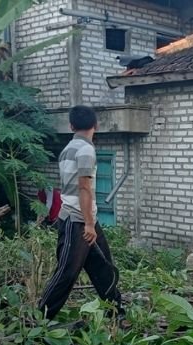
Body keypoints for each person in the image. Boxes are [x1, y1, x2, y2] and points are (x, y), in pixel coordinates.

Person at [38, 105, 125, 322]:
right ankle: (39, 318)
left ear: (71, 125)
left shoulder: (69, 148)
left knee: (104, 268)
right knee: (67, 273)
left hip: (86, 219)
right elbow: (84, 187)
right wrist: (88, 224)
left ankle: (116, 313)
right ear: (95, 125)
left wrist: (90, 221)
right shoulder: (86, 150)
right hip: (77, 221)